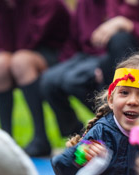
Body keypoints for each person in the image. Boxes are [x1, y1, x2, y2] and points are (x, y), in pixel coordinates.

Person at [0, 0, 71, 157]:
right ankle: (6, 140)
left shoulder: (48, 3)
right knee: (0, 63)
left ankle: (40, 137)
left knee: (21, 61)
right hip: (24, 51)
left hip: (60, 54)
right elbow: (2, 42)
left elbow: (31, 38)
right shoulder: (3, 4)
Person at [40, 0, 108, 139]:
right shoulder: (83, 4)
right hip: (83, 56)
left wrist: (107, 64)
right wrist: (63, 64)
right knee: (48, 79)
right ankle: (75, 133)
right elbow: (73, 38)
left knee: (73, 80)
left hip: (105, 56)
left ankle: (107, 121)